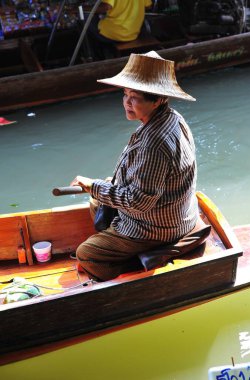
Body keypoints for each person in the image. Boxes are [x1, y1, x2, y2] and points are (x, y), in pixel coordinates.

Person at [70, 50, 201, 282]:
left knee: (87, 255)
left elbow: (138, 202)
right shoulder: (171, 116)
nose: (127, 103)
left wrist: (93, 185)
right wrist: (98, 187)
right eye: (125, 94)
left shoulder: (155, 143)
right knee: (96, 200)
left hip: (156, 226)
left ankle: (136, 266)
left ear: (158, 99)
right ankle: (121, 244)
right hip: (174, 212)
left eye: (135, 97)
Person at [83, 0, 153, 59]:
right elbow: (148, 6)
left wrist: (81, 8)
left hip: (116, 33)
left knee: (84, 20)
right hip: (132, 33)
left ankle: (93, 57)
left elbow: (106, 7)